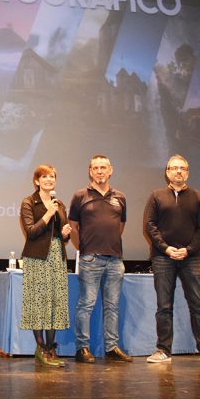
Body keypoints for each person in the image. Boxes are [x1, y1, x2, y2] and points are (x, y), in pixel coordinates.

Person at [143, 155, 200, 364]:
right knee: (164, 306)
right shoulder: (156, 196)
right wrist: (166, 248)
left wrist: (188, 250)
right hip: (163, 258)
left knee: (198, 305)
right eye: (174, 168)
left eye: (182, 168)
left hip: (192, 259)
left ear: (187, 173)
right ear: (167, 172)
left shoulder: (198, 197)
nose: (178, 171)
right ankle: (163, 350)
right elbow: (150, 226)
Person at [68, 155, 133, 363]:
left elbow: (120, 226)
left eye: (103, 167)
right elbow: (73, 225)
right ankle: (82, 348)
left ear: (111, 170)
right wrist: (83, 248)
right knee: (86, 304)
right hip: (90, 259)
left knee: (112, 306)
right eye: (95, 168)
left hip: (115, 259)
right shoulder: (80, 196)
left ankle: (112, 347)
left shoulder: (120, 197)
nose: (99, 171)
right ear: (90, 171)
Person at [19, 164, 73, 367]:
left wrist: (66, 234)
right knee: (38, 302)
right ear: (36, 181)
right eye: (45, 177)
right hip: (37, 259)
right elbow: (31, 232)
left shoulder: (59, 204)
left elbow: (61, 235)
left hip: (56, 257)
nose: (49, 180)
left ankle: (51, 348)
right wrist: (48, 214)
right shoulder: (28, 202)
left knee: (55, 302)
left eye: (52, 177)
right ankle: (40, 347)